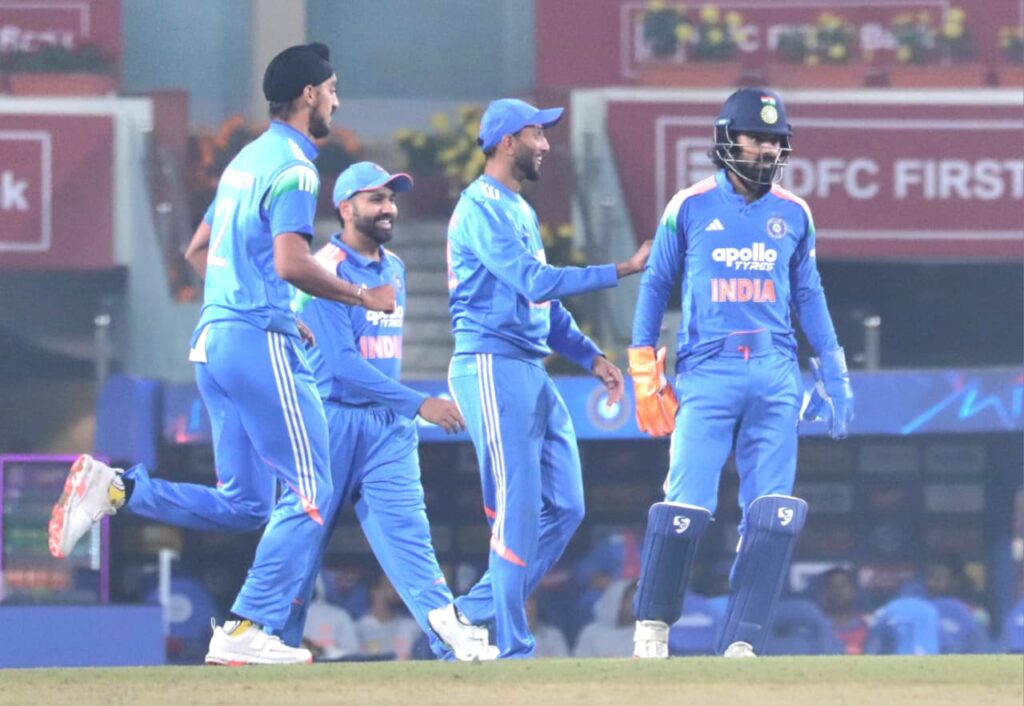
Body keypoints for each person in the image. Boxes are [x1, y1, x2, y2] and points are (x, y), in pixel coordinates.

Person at [47, 43, 396, 666]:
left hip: (213, 344)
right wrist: (361, 295)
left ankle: (116, 490)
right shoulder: (296, 167)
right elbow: (292, 263)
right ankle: (246, 627)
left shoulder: (245, 161)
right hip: (256, 343)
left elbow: (198, 250)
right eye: (332, 89)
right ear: (310, 94)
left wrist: (257, 304)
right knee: (312, 489)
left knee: (247, 503)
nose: (337, 101)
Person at [627, 87, 854, 659]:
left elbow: (809, 293)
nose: (768, 150)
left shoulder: (795, 212)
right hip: (709, 370)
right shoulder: (689, 206)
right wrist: (643, 366)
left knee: (772, 513)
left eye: (776, 141)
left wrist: (833, 369)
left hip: (776, 371)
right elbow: (656, 284)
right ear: (728, 139)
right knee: (686, 504)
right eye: (757, 138)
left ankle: (744, 640)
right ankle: (652, 627)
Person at [445, 98, 652, 658]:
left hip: (530, 367)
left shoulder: (518, 209)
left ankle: (466, 616)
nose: (545, 144)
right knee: (515, 510)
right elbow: (534, 282)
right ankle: (513, 647)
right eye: (537, 134)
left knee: (566, 506)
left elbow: (544, 305)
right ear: (507, 141)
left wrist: (590, 356)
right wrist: (623, 269)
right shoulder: (478, 207)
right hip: (490, 362)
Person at [279, 161, 495, 661]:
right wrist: (421, 404)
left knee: (412, 542)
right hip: (329, 419)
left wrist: (404, 409)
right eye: (376, 198)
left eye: (392, 199)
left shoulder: (395, 267)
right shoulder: (322, 269)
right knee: (300, 549)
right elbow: (342, 366)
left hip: (386, 428)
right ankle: (271, 642)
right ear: (346, 207)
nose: (388, 208)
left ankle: (453, 645)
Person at [572, 580, 636, 658]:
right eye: (630, 599)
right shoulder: (591, 632)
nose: (634, 605)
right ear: (615, 601)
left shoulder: (642, 632)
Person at [819, 567, 869, 655]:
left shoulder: (868, 625)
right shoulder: (816, 627)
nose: (838, 591)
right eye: (832, 586)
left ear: (853, 591)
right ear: (825, 592)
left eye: (843, 586)